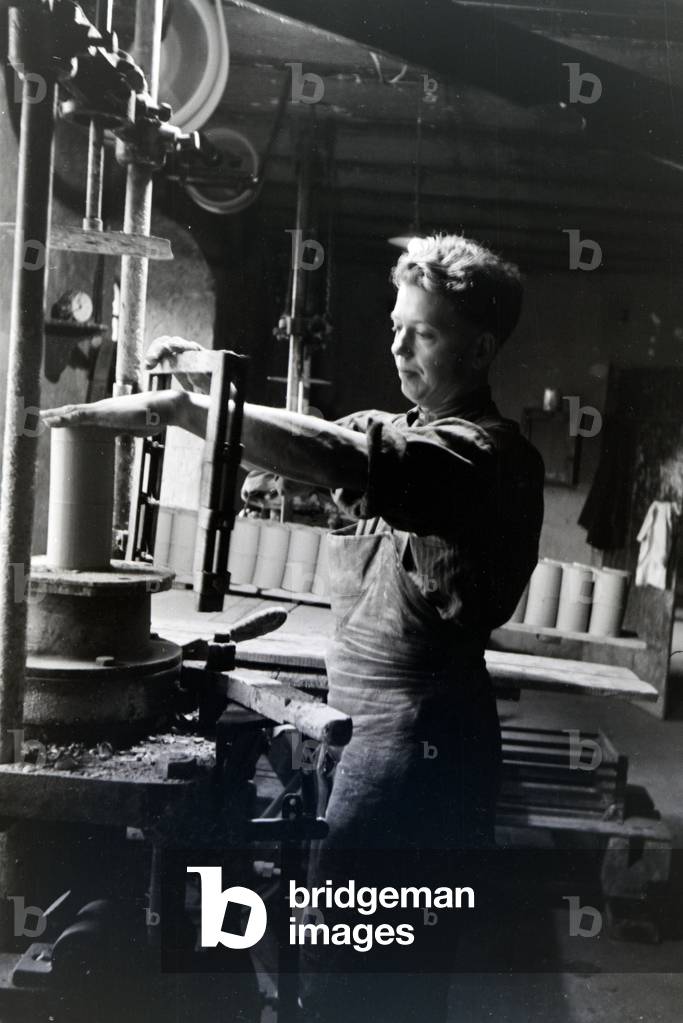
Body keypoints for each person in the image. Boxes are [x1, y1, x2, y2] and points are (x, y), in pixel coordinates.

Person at [42, 233, 545, 1021]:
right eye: (394, 323)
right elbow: (312, 439)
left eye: (425, 332)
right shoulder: (408, 427)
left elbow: (346, 456)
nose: (398, 344)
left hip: (420, 751)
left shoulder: (481, 457)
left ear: (480, 350)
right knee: (333, 951)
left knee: (373, 977)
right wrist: (201, 374)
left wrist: (189, 409)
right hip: (360, 732)